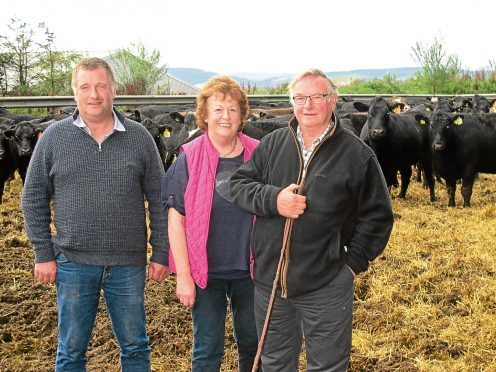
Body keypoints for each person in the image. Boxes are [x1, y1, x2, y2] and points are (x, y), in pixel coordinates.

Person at [230, 68, 394, 371]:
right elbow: (239, 186)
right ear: (292, 102)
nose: (308, 105)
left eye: (317, 97)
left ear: (332, 101)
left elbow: (378, 217)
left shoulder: (357, 155)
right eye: (300, 97)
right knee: (276, 364)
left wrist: (351, 263)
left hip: (327, 283)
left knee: (328, 366)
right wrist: (274, 199)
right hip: (271, 283)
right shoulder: (273, 144)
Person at [21, 57, 169, 371]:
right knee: (71, 350)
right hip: (72, 262)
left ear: (113, 90)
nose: (94, 94)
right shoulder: (54, 138)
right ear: (74, 93)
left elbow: (159, 199)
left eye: (101, 85)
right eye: (85, 87)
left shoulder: (139, 137)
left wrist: (161, 251)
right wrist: (42, 253)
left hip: (126, 263)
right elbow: (33, 197)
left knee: (135, 348)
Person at [162, 76, 259, 371]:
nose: (225, 116)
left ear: (242, 115)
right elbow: (175, 219)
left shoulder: (260, 154)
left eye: (232, 109)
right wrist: (183, 276)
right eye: (217, 109)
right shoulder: (189, 157)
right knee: (207, 347)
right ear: (204, 115)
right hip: (205, 273)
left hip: (252, 271)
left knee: (254, 345)